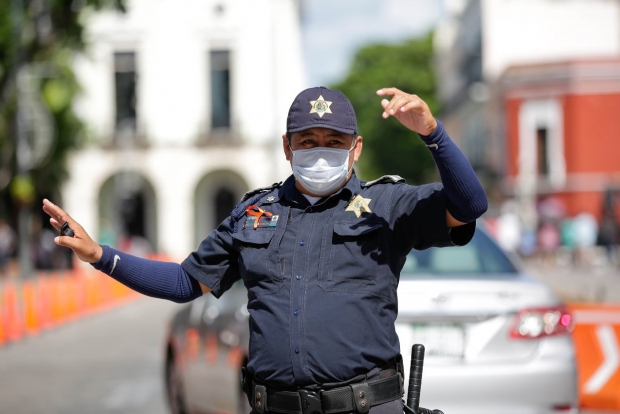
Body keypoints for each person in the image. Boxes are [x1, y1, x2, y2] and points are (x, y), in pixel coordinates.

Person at [42, 86, 487, 414]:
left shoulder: (388, 206)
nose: (320, 152)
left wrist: (432, 132)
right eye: (307, 141)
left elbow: (469, 205)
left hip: (365, 407)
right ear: (287, 147)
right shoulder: (253, 213)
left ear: (356, 148)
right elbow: (183, 282)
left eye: (334, 142)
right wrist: (101, 255)